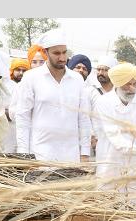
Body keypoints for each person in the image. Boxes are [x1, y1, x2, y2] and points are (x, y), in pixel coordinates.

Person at [15, 29, 91, 162]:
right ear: (45, 52)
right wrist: (23, 154)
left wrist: (84, 152)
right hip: (40, 155)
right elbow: (23, 117)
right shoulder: (31, 77)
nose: (62, 58)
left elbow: (84, 118)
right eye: (56, 53)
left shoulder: (77, 79)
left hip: (70, 156)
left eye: (64, 52)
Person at [95, 63, 136, 205]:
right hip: (110, 161)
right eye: (127, 84)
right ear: (117, 84)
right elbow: (114, 135)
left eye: (134, 84)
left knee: (133, 203)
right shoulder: (103, 102)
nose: (131, 88)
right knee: (108, 204)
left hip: (135, 164)